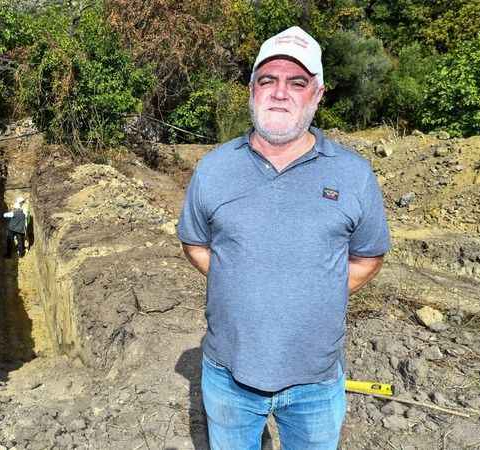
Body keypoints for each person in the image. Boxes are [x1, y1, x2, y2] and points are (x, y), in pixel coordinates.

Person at [177, 26, 390, 450]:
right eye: (267, 80)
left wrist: (315, 290)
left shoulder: (353, 175)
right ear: (252, 89)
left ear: (318, 93)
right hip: (228, 377)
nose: (280, 93)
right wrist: (241, 278)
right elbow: (195, 244)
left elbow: (368, 256)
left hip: (316, 380)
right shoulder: (214, 170)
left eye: (297, 82)